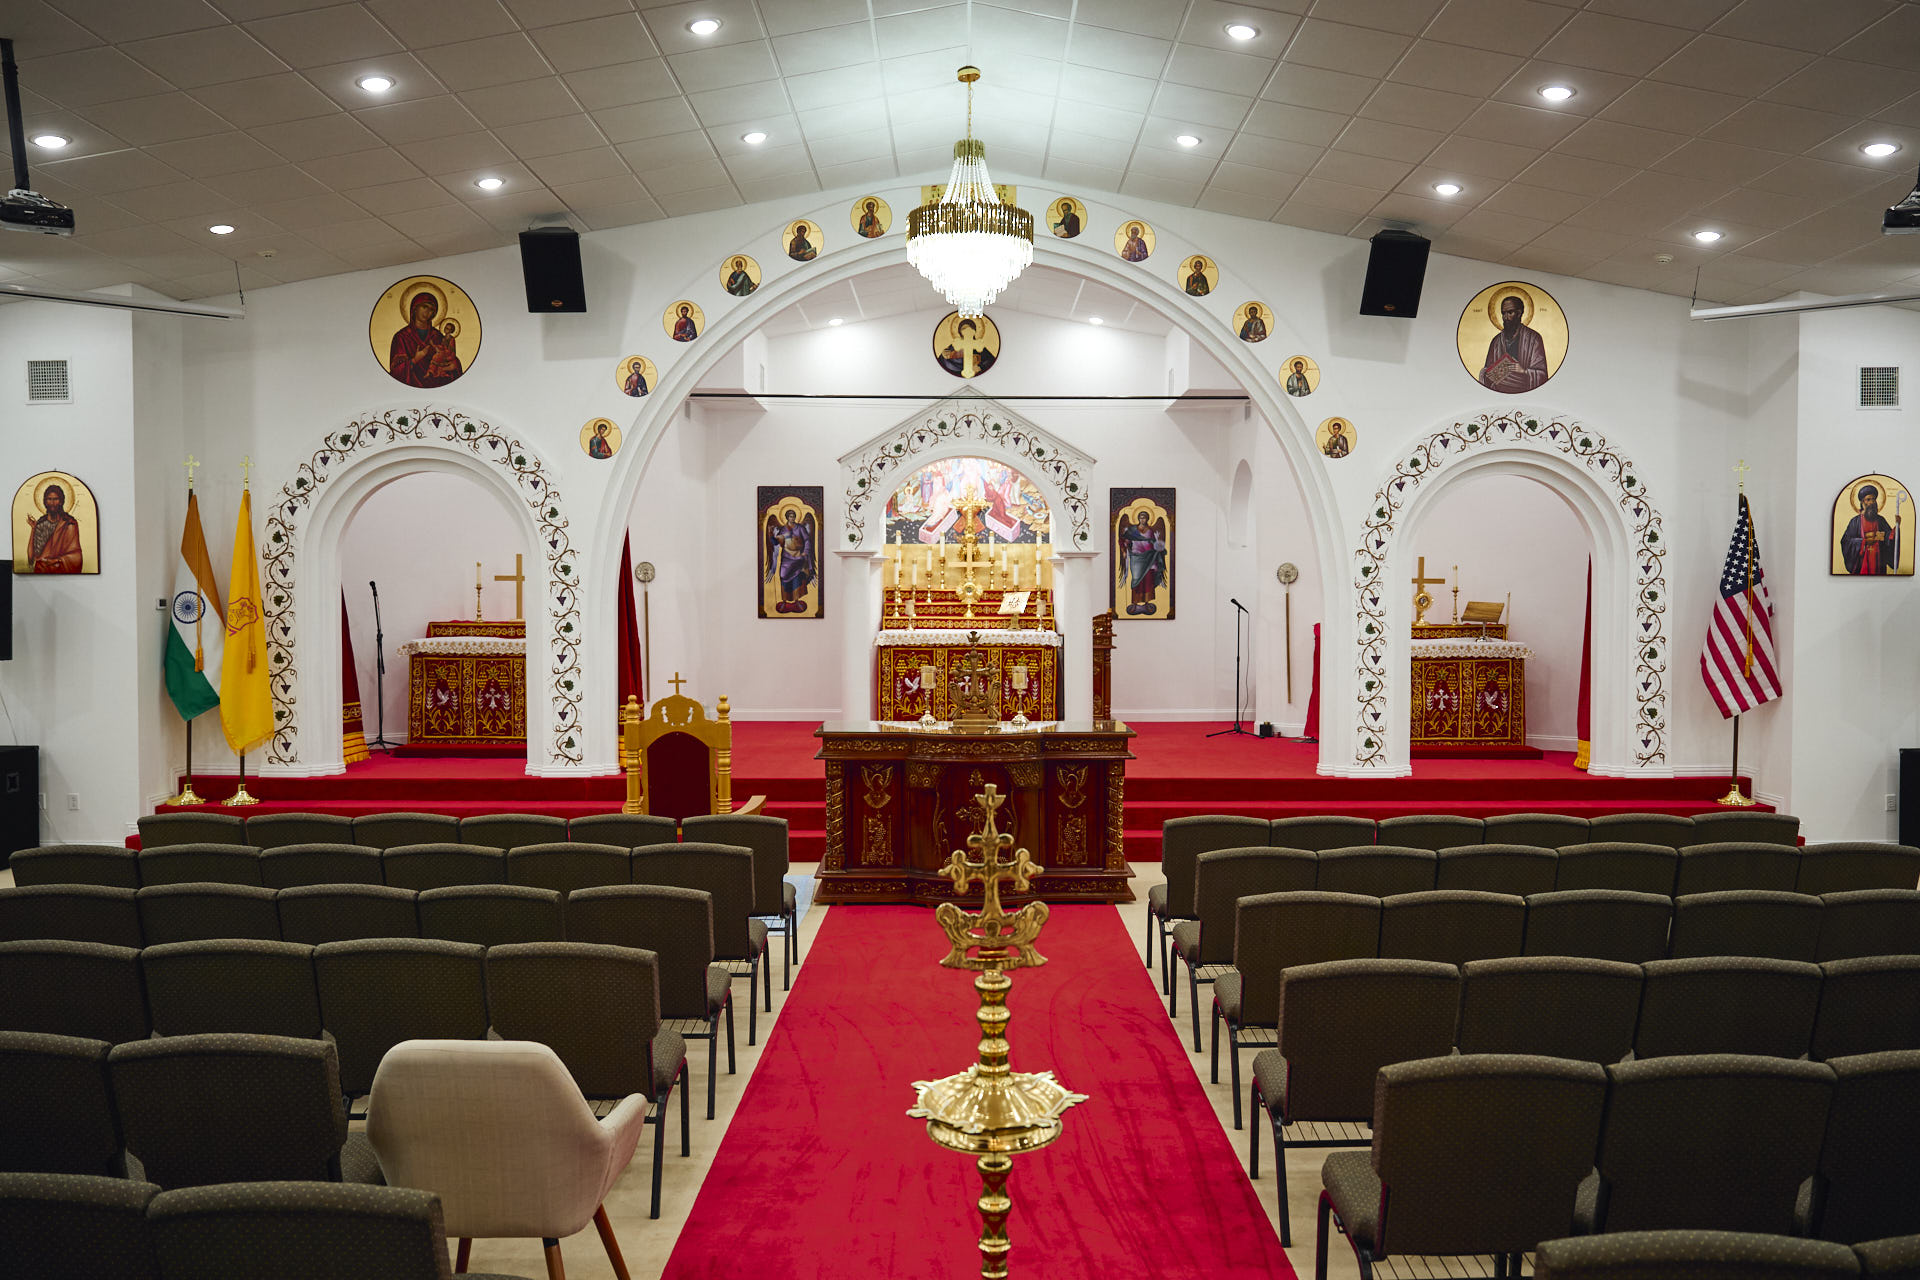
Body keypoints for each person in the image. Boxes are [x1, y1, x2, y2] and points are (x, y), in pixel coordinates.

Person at [387, 290, 463, 387]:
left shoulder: (438, 336)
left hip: (438, 387)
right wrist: (415, 360)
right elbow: (395, 372)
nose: (427, 312)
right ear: (415, 308)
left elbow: (449, 358)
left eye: (431, 309)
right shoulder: (401, 337)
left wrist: (455, 365)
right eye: (424, 307)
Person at [1477, 292, 1550, 393]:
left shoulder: (1534, 339)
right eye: (1503, 313)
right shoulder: (1496, 341)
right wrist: (1491, 373)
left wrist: (1523, 371)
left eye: (1510, 312)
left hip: (1524, 389)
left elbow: (1542, 375)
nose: (1505, 317)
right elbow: (1487, 372)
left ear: (1519, 313)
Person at [764, 505, 817, 613]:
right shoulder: (783, 529)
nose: (792, 518)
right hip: (786, 559)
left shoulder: (800, 528)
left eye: (793, 516)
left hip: (798, 559)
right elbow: (776, 542)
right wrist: (771, 534)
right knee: (783, 577)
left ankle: (796, 601)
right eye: (790, 516)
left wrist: (805, 551)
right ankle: (784, 601)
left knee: (796, 580)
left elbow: (807, 540)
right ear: (787, 517)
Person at [1841, 483, 1901, 574]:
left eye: (1873, 499)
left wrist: (1896, 527)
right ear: (1862, 502)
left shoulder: (1880, 520)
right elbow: (1846, 542)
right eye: (1868, 499)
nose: (1871, 502)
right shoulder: (1855, 522)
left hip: (1878, 562)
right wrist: (1863, 542)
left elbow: (1889, 537)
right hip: (1862, 564)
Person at [1117, 509, 1168, 615]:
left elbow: (1154, 543)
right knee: (1136, 580)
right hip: (1136, 557)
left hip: (1149, 558)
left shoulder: (1150, 531)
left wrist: (1158, 546)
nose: (1142, 519)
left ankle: (1147, 602)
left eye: (1144, 518)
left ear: (1147, 519)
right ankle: (1135, 603)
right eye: (1141, 517)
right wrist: (1124, 550)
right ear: (1138, 518)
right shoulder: (1132, 530)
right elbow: (1124, 540)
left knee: (1148, 580)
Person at [24, 481, 82, 573]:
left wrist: (57, 560)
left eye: (56, 499)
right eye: (49, 499)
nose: (52, 503)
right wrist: (33, 529)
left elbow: (76, 556)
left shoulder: (69, 524)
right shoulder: (40, 524)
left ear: (61, 501)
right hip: (41, 572)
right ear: (45, 502)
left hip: (61, 571)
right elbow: (31, 559)